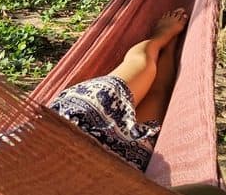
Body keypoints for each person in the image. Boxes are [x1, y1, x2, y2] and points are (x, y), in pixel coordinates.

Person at [50, 9, 188, 172]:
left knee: (143, 63)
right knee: (160, 93)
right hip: (120, 162)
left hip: (79, 122)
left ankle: (160, 38)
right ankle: (171, 46)